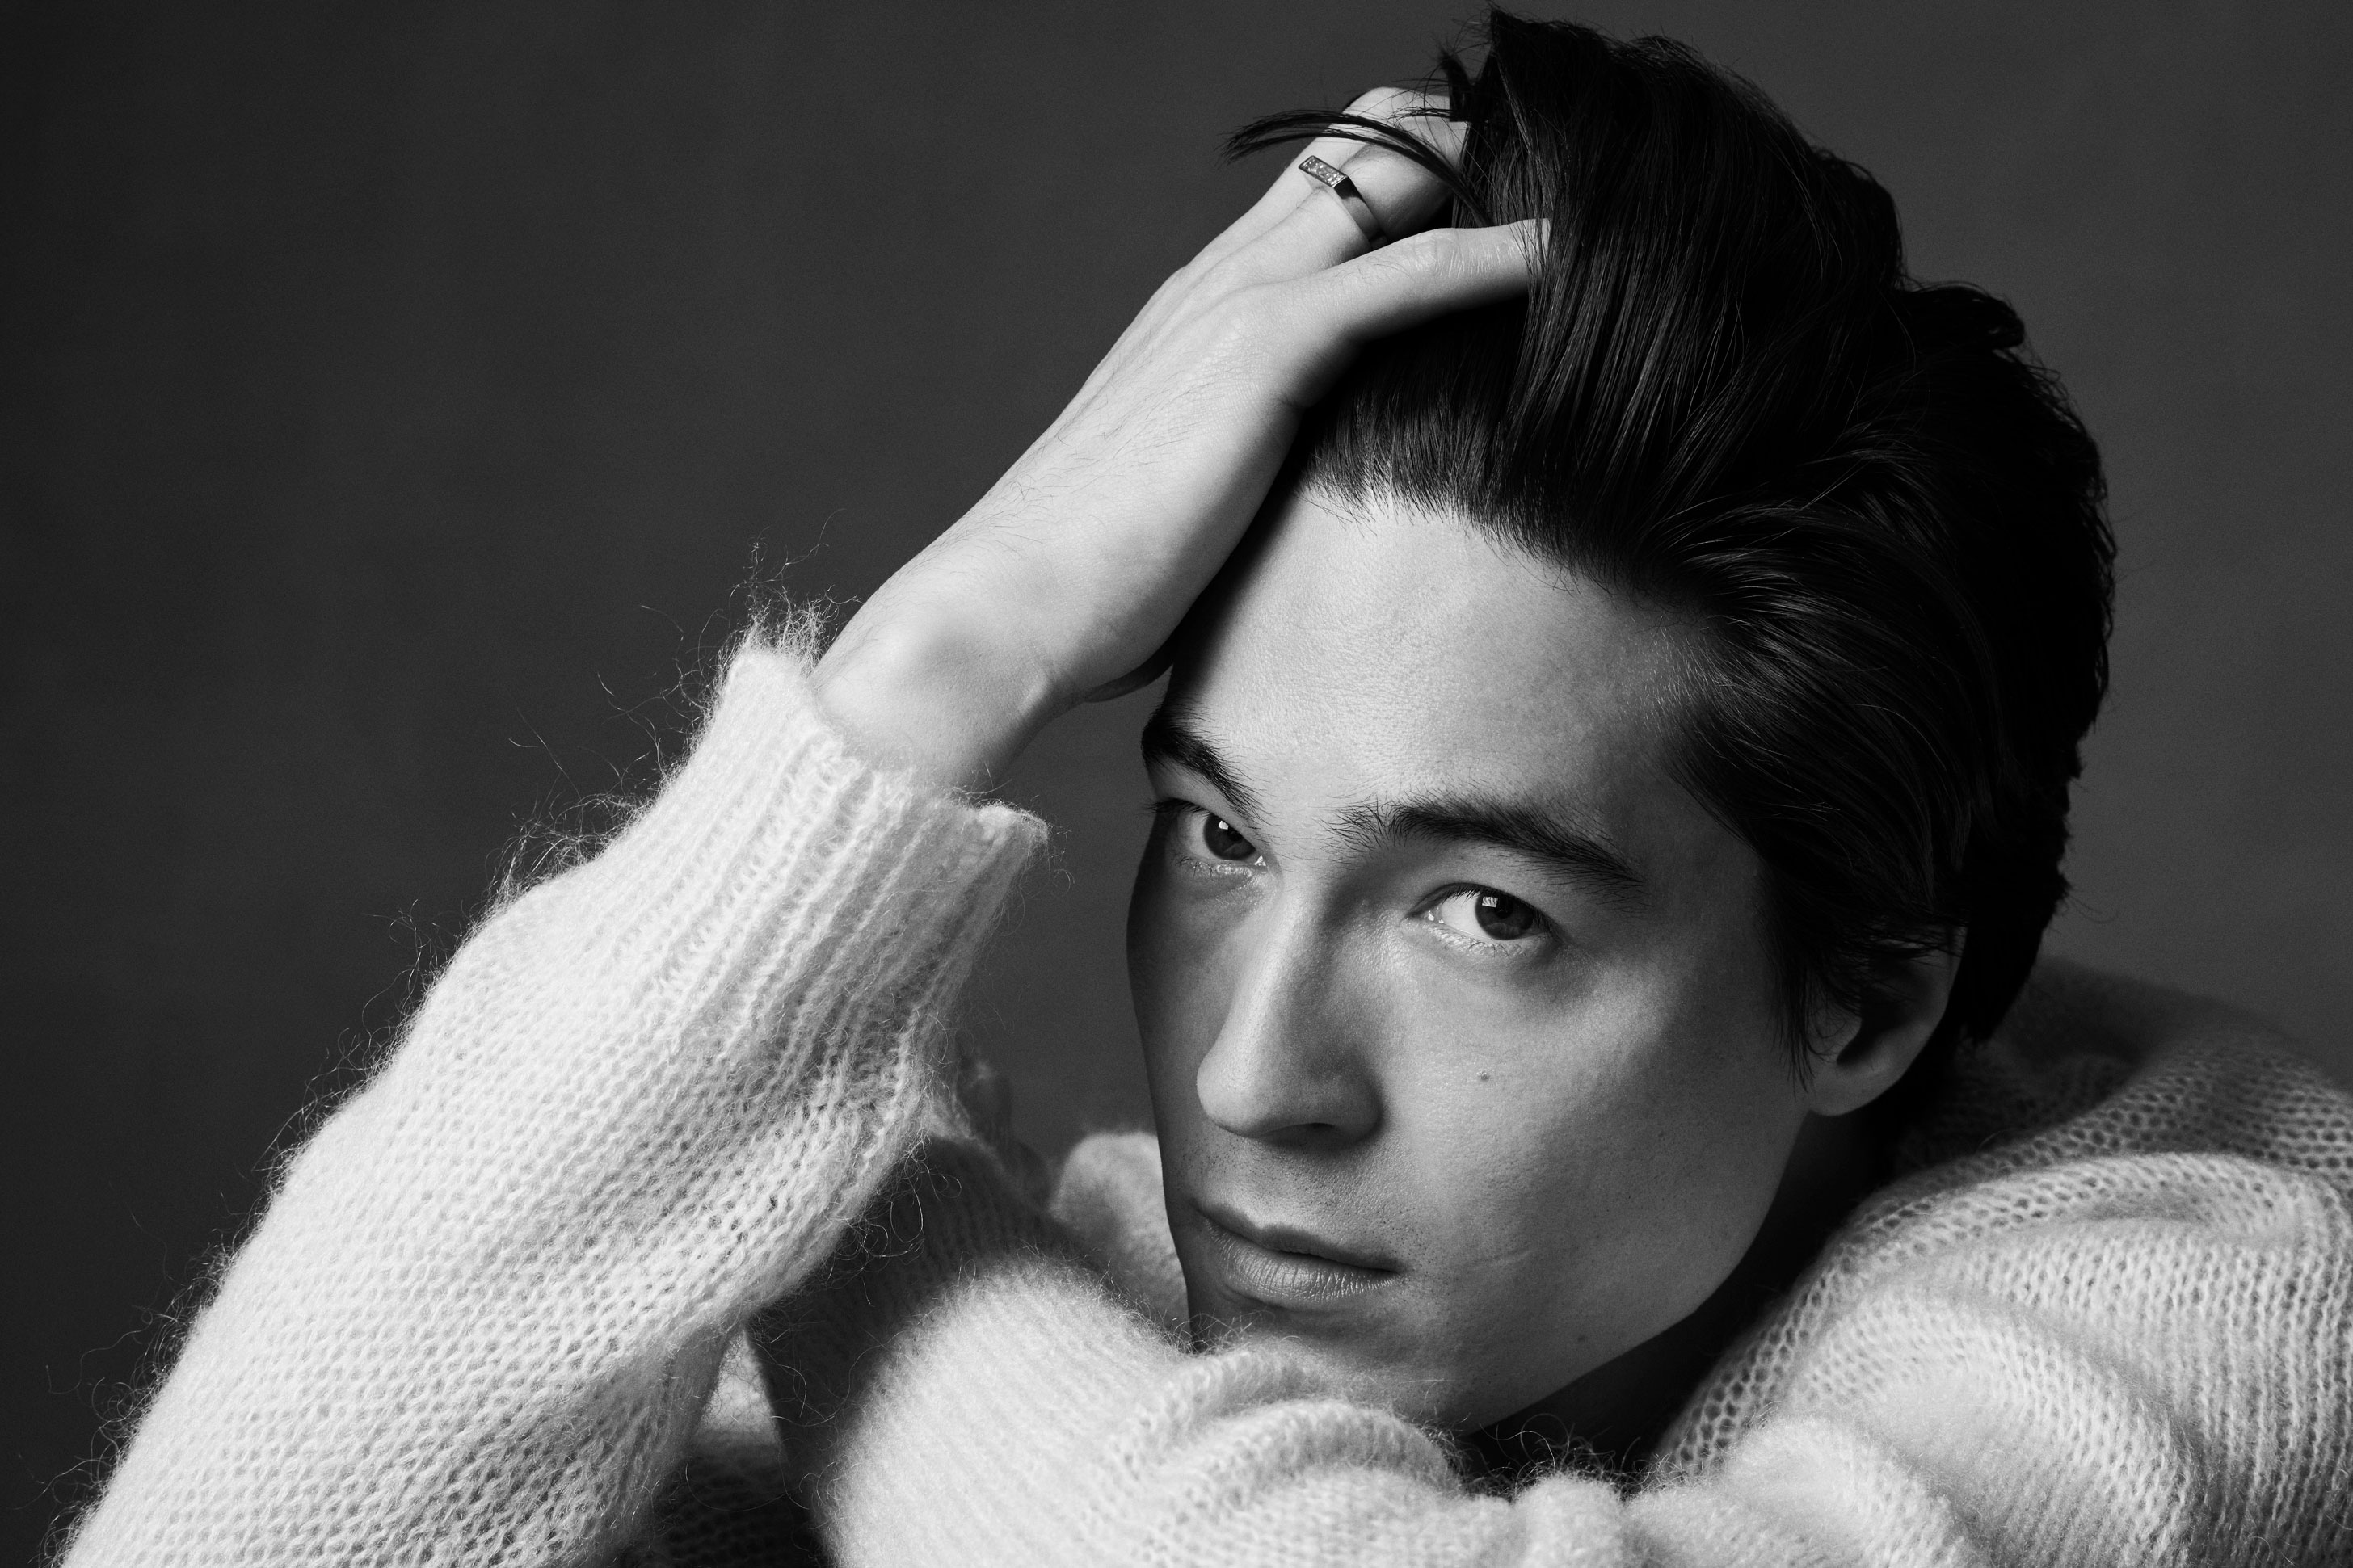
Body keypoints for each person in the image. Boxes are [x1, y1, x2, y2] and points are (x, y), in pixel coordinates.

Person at [57, 13, 2352, 1566]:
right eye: (1224, 836)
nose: (1256, 1084)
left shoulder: (2205, 1292)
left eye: (1487, 912)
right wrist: (934, 668)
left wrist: (861, 1219)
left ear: (1866, 1000)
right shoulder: (1116, 1309)